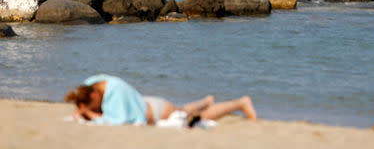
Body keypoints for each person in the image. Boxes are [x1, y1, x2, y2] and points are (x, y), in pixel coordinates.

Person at [65, 74, 257, 125]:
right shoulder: (94, 83)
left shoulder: (115, 90)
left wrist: (90, 114)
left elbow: (120, 121)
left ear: (95, 96)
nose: (98, 108)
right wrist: (84, 109)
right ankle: (206, 100)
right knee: (184, 110)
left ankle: (240, 103)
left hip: (158, 112)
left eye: (95, 105)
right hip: (151, 104)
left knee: (200, 118)